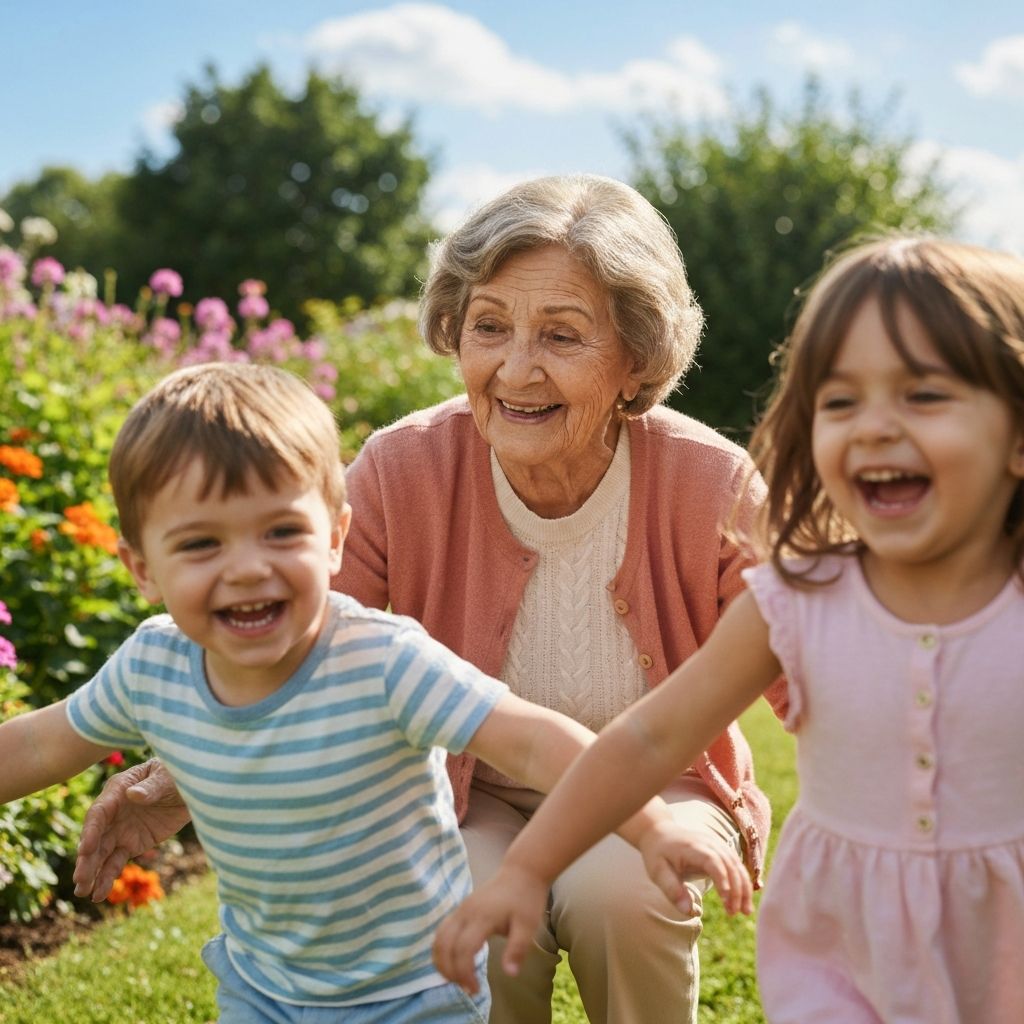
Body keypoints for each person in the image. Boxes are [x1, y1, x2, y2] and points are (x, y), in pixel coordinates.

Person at [75, 174, 785, 1024]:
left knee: (623, 893)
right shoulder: (402, 466)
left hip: (659, 784)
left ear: (636, 355)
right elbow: (299, 651)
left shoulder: (708, 481)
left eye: (561, 334)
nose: (516, 368)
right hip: (467, 784)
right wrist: (179, 779)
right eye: (489, 327)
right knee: (461, 901)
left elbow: (815, 661)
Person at [2, 361, 751, 1024]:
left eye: (280, 534)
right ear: (140, 568)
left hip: (415, 990)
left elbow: (531, 735)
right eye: (201, 544)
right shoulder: (152, 668)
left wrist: (652, 828)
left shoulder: (382, 660)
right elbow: (42, 741)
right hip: (264, 988)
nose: (247, 569)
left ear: (335, 538)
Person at [432, 235, 1024, 1023]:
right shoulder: (795, 602)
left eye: (923, 395)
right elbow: (646, 741)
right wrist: (525, 871)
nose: (875, 428)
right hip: (843, 963)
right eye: (840, 401)